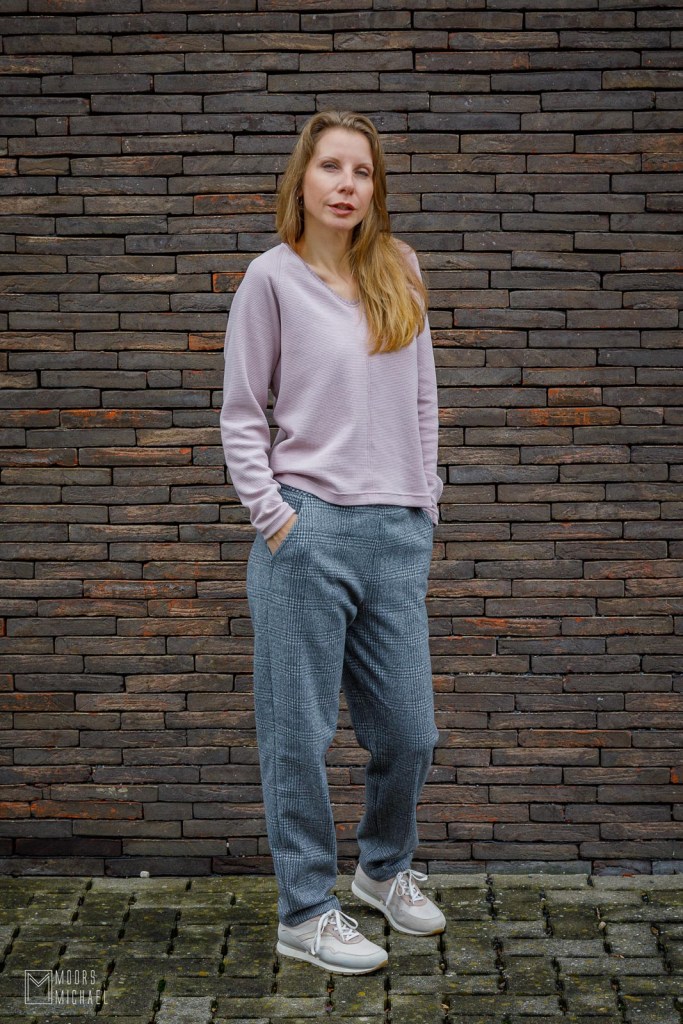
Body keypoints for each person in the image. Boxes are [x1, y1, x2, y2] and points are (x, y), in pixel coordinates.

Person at [220, 109, 446, 976]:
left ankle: (382, 869)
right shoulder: (270, 279)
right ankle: (305, 910)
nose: (346, 185)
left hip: (395, 531)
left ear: (374, 187)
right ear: (302, 180)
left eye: (361, 171)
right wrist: (275, 517)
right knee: (298, 737)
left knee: (410, 733)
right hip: (306, 530)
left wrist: (423, 503)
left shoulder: (399, 268)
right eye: (330, 168)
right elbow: (243, 413)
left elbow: (420, 398)